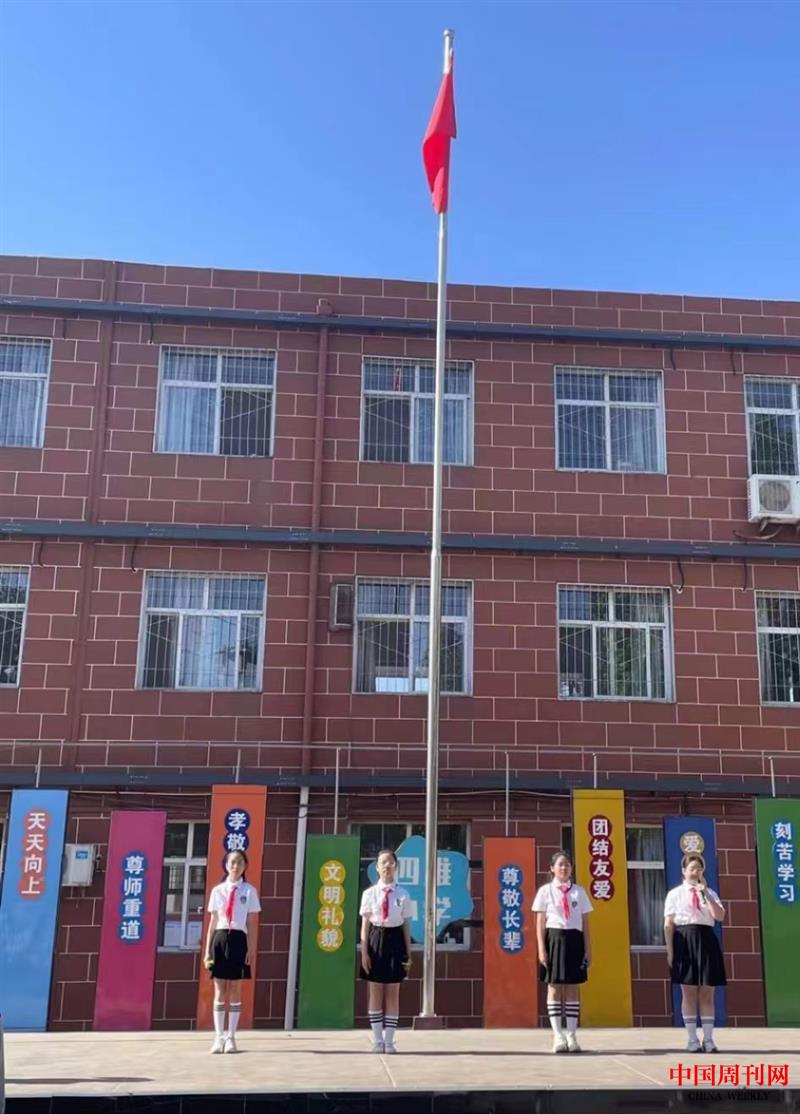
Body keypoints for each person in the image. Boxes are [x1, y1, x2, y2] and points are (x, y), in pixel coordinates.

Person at [664, 852, 726, 1053]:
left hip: (706, 940)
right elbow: (668, 924)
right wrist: (670, 952)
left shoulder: (710, 893)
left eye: (699, 869)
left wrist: (705, 892)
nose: (696, 872)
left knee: (707, 992)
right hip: (684, 940)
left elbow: (720, 916)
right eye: (692, 868)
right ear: (684, 871)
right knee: (688, 992)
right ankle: (692, 1040)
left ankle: (708, 1040)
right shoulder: (675, 894)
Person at [532, 850, 593, 1054]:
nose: (564, 868)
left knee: (572, 986)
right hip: (554, 938)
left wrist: (588, 948)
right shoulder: (545, 891)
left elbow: (585, 923)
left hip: (575, 940)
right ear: (552, 869)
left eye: (567, 864)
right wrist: (541, 949)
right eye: (560, 864)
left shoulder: (579, 892)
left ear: (571, 869)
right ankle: (558, 1035)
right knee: (555, 986)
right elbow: (540, 922)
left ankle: (572, 1035)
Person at [203, 849, 261, 1054]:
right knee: (220, 989)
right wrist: (207, 951)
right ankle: (218, 1037)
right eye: (232, 862)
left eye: (240, 862)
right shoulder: (217, 890)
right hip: (220, 938)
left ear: (245, 866)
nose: (236, 866)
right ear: (226, 865)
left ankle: (231, 1038)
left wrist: (251, 948)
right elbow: (212, 922)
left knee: (235, 988)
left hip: (239, 939)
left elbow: (252, 923)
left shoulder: (249, 891)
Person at [359, 848, 413, 1054]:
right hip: (375, 939)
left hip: (395, 939)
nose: (387, 866)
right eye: (383, 862)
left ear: (396, 866)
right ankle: (378, 1040)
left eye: (391, 862)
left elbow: (406, 925)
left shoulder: (403, 894)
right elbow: (365, 926)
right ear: (377, 867)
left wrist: (408, 952)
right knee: (375, 991)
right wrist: (364, 952)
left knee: (393, 991)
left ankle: (389, 1041)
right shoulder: (369, 894)